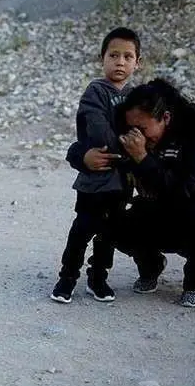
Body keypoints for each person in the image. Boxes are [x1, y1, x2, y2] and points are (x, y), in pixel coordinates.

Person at [113, 78, 195, 307]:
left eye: (143, 129)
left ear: (165, 117)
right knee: (112, 219)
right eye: (132, 129)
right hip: (156, 208)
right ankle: (151, 266)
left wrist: (143, 159)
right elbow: (87, 148)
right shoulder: (133, 135)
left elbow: (183, 191)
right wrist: (86, 157)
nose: (138, 136)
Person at [50, 27, 142, 304]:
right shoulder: (95, 92)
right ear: (102, 58)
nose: (120, 62)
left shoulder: (137, 97)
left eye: (128, 56)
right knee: (82, 230)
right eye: (114, 55)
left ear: (138, 62)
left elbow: (143, 133)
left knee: (108, 235)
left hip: (120, 183)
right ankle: (67, 278)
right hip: (95, 180)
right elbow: (99, 130)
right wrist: (126, 150)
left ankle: (98, 279)